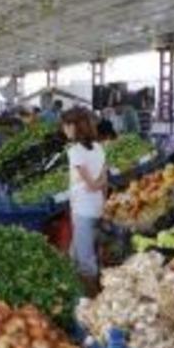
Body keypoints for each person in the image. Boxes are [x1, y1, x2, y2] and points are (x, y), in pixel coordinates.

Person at [62, 107, 107, 293]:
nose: (64, 130)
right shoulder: (99, 147)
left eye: (65, 125)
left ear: (74, 127)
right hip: (96, 205)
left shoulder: (75, 151)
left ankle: (92, 296)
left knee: (86, 258)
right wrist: (102, 199)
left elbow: (90, 183)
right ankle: (72, 285)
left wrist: (94, 185)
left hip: (82, 208)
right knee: (77, 250)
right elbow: (103, 180)